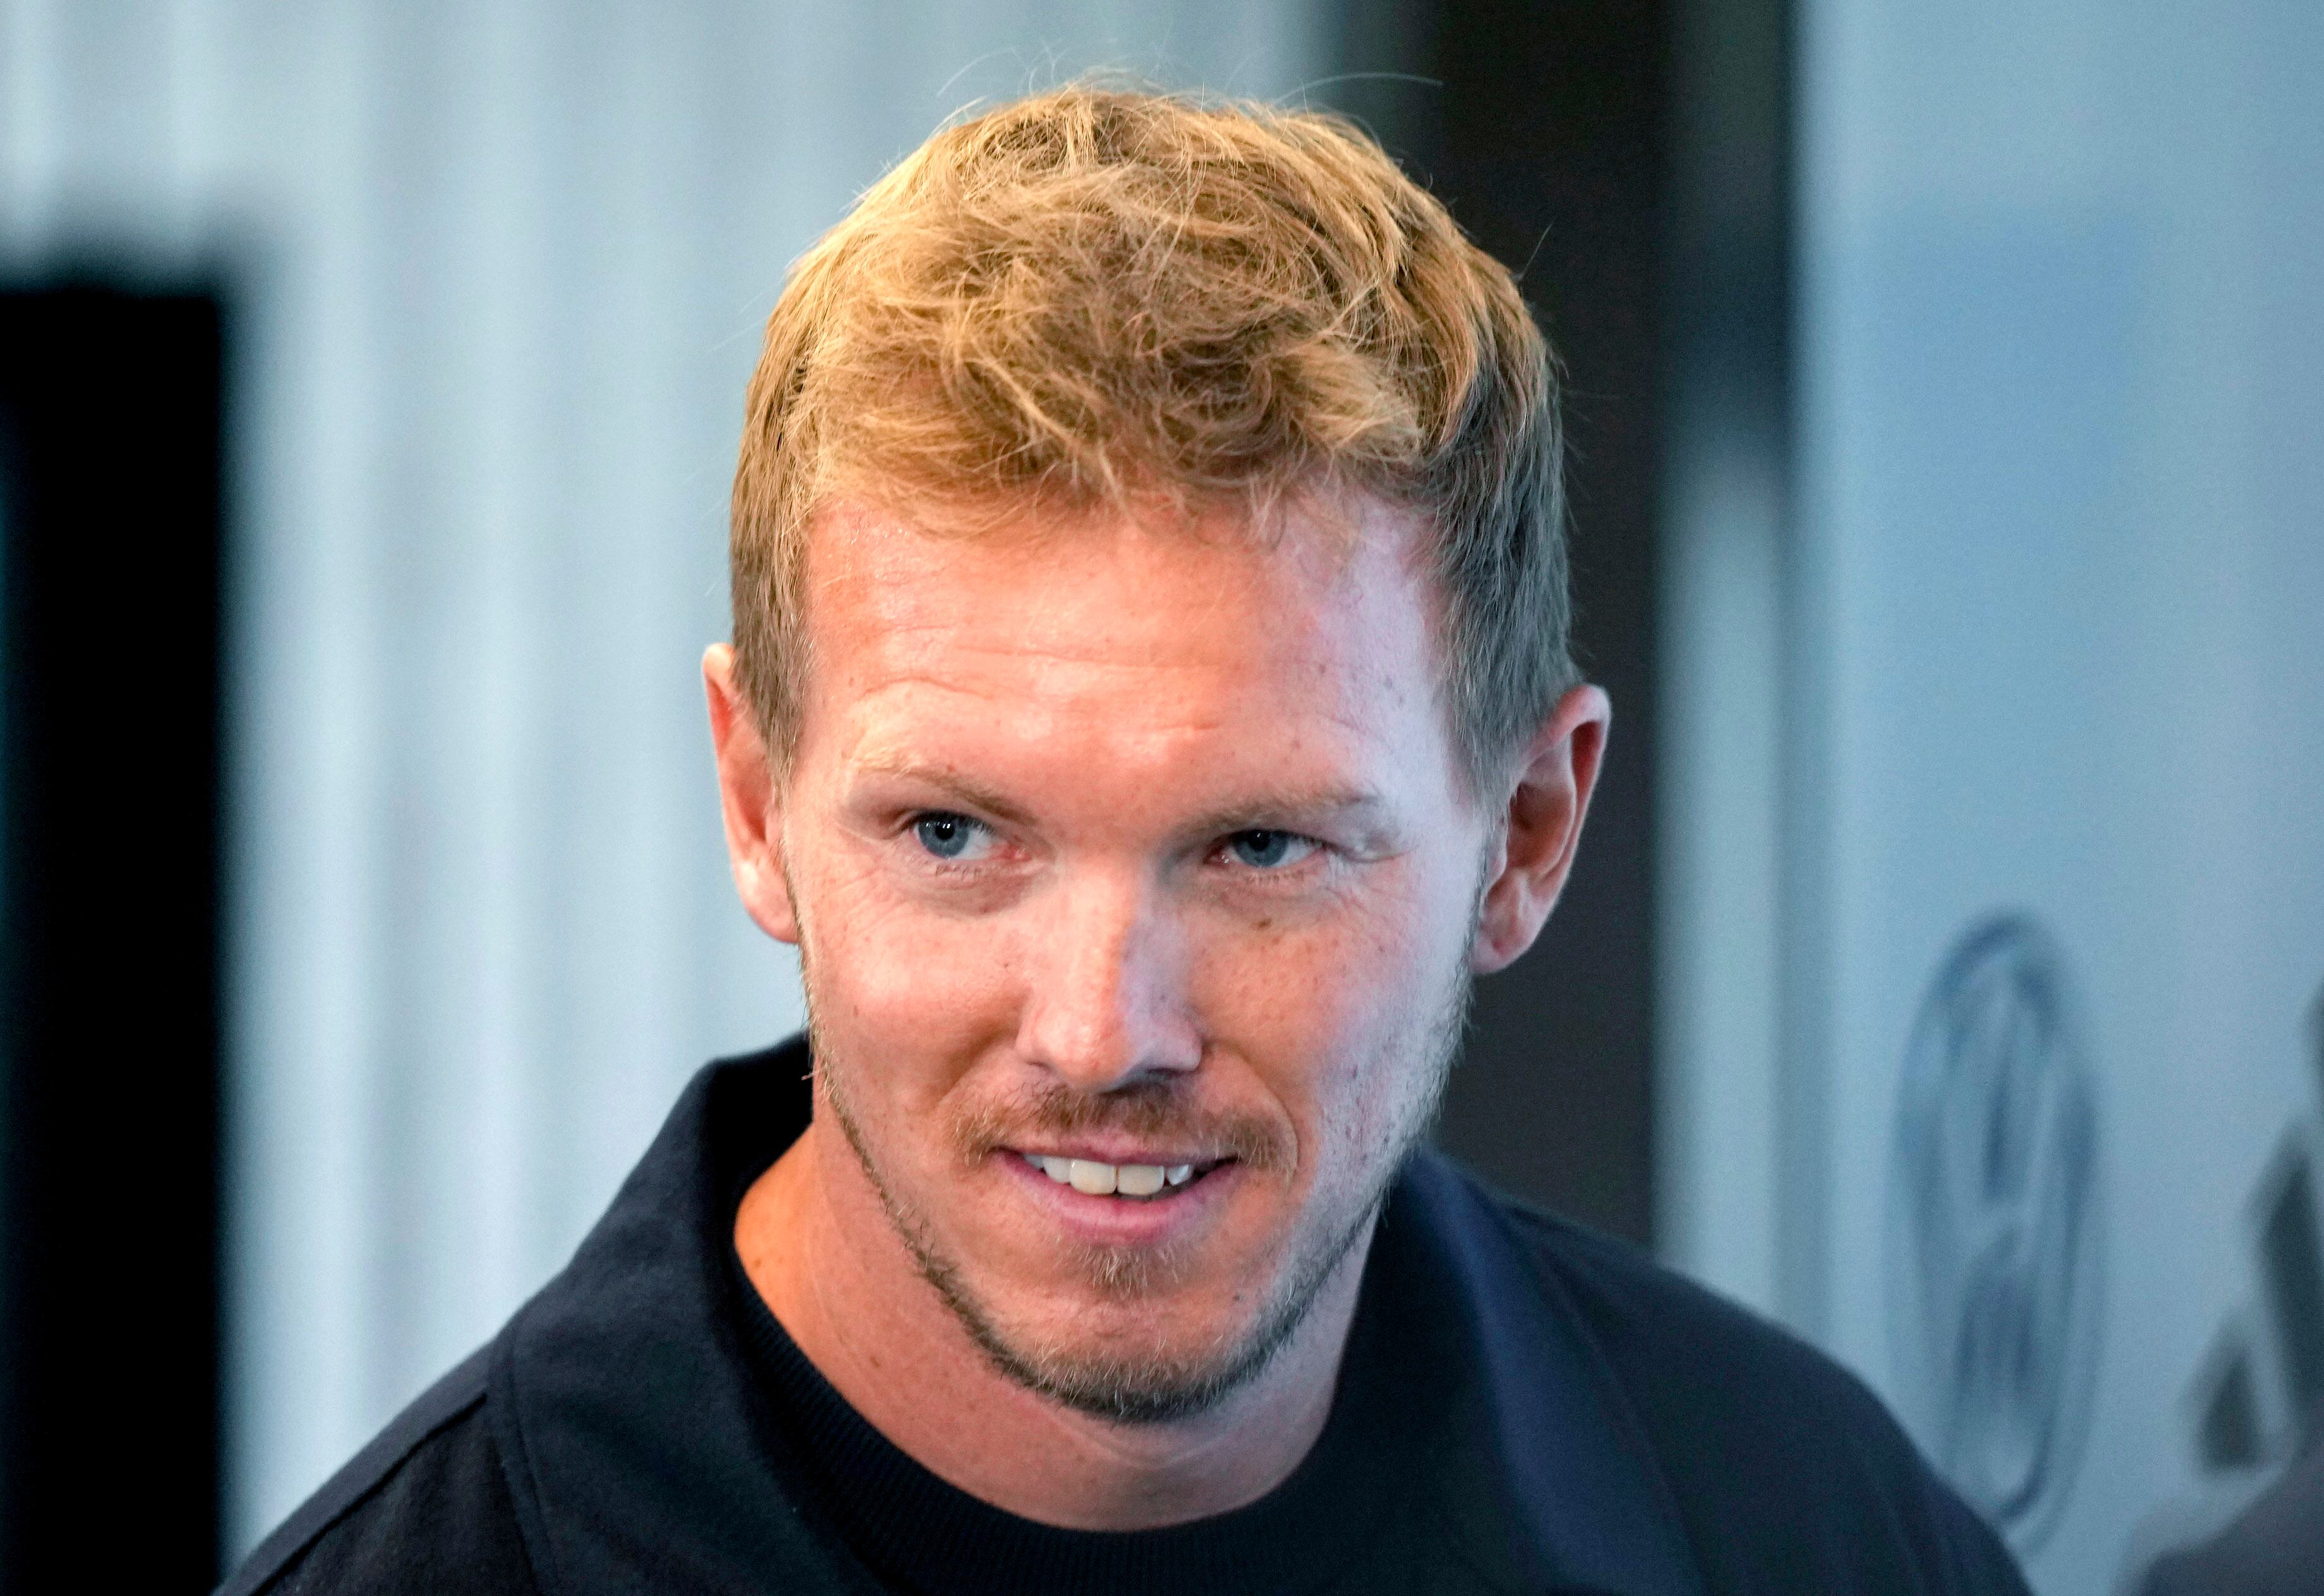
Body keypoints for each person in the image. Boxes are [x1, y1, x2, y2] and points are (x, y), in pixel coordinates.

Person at [222, 86, 2028, 1595]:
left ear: (1529, 833)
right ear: (759, 805)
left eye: (1259, 849)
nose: (1104, 1035)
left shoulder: (1807, 1533)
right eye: (954, 833)